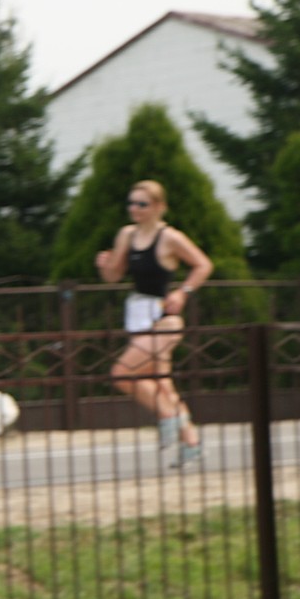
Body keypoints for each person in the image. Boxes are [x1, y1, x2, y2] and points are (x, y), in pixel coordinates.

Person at [95, 180, 213, 468]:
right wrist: (104, 266)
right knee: (163, 385)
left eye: (142, 204)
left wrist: (183, 293)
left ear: (159, 206)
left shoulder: (170, 237)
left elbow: (203, 265)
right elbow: (113, 277)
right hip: (137, 315)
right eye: (131, 203)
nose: (134, 209)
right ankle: (191, 443)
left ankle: (167, 416)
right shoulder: (127, 234)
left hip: (163, 318)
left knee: (122, 373)